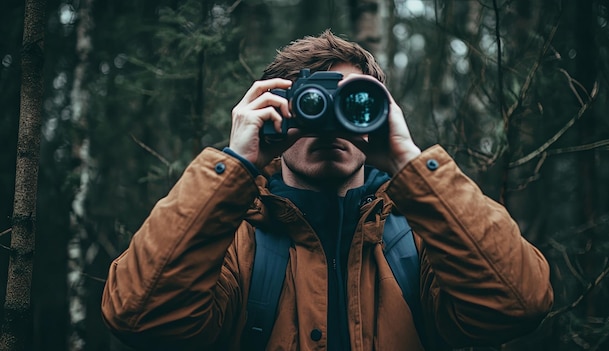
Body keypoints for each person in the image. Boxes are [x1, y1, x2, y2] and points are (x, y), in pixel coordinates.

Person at [101, 30, 553, 351]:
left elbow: (519, 304)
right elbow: (140, 316)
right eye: (310, 104)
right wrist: (235, 162)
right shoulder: (232, 240)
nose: (328, 123)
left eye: (352, 104)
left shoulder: (420, 237)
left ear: (379, 113)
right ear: (272, 112)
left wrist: (408, 161)